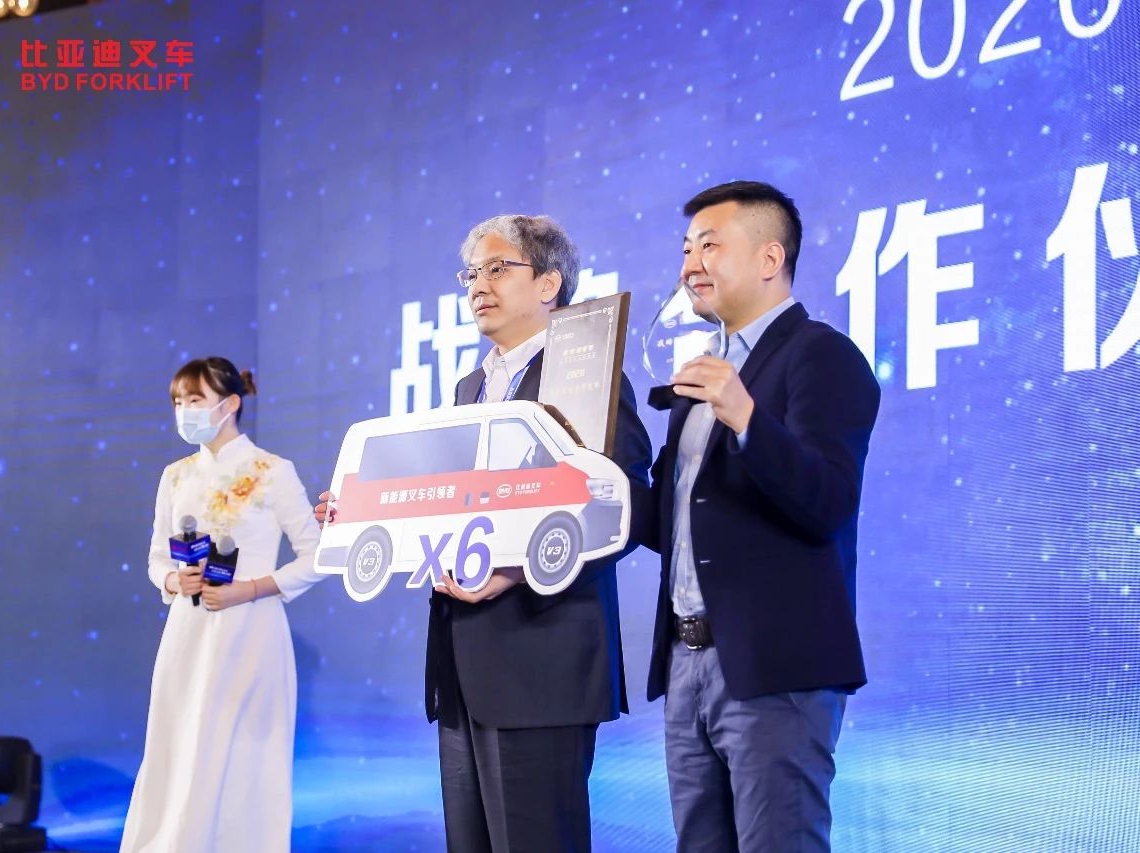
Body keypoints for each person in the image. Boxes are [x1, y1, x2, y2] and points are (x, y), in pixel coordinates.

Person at [317, 215, 652, 852]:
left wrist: (517, 571)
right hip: (463, 663)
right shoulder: (469, 388)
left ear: (549, 283)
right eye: (472, 273)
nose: (478, 286)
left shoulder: (585, 375)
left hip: (541, 658)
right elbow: (449, 502)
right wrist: (361, 511)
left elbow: (626, 502)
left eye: (498, 269)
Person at [643, 181, 881, 852]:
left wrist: (746, 414)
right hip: (687, 661)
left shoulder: (821, 354)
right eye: (686, 249)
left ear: (770, 258)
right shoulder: (704, 375)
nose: (691, 264)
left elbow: (828, 499)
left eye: (709, 246)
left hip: (775, 668)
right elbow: (672, 522)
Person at [122, 357, 323, 853]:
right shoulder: (175, 476)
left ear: (230, 404)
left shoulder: (271, 472)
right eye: (178, 402)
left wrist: (249, 589)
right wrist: (174, 578)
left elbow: (318, 556)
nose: (184, 411)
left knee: (242, 752)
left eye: (195, 400)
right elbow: (156, 557)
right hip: (188, 633)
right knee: (178, 743)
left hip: (250, 632)